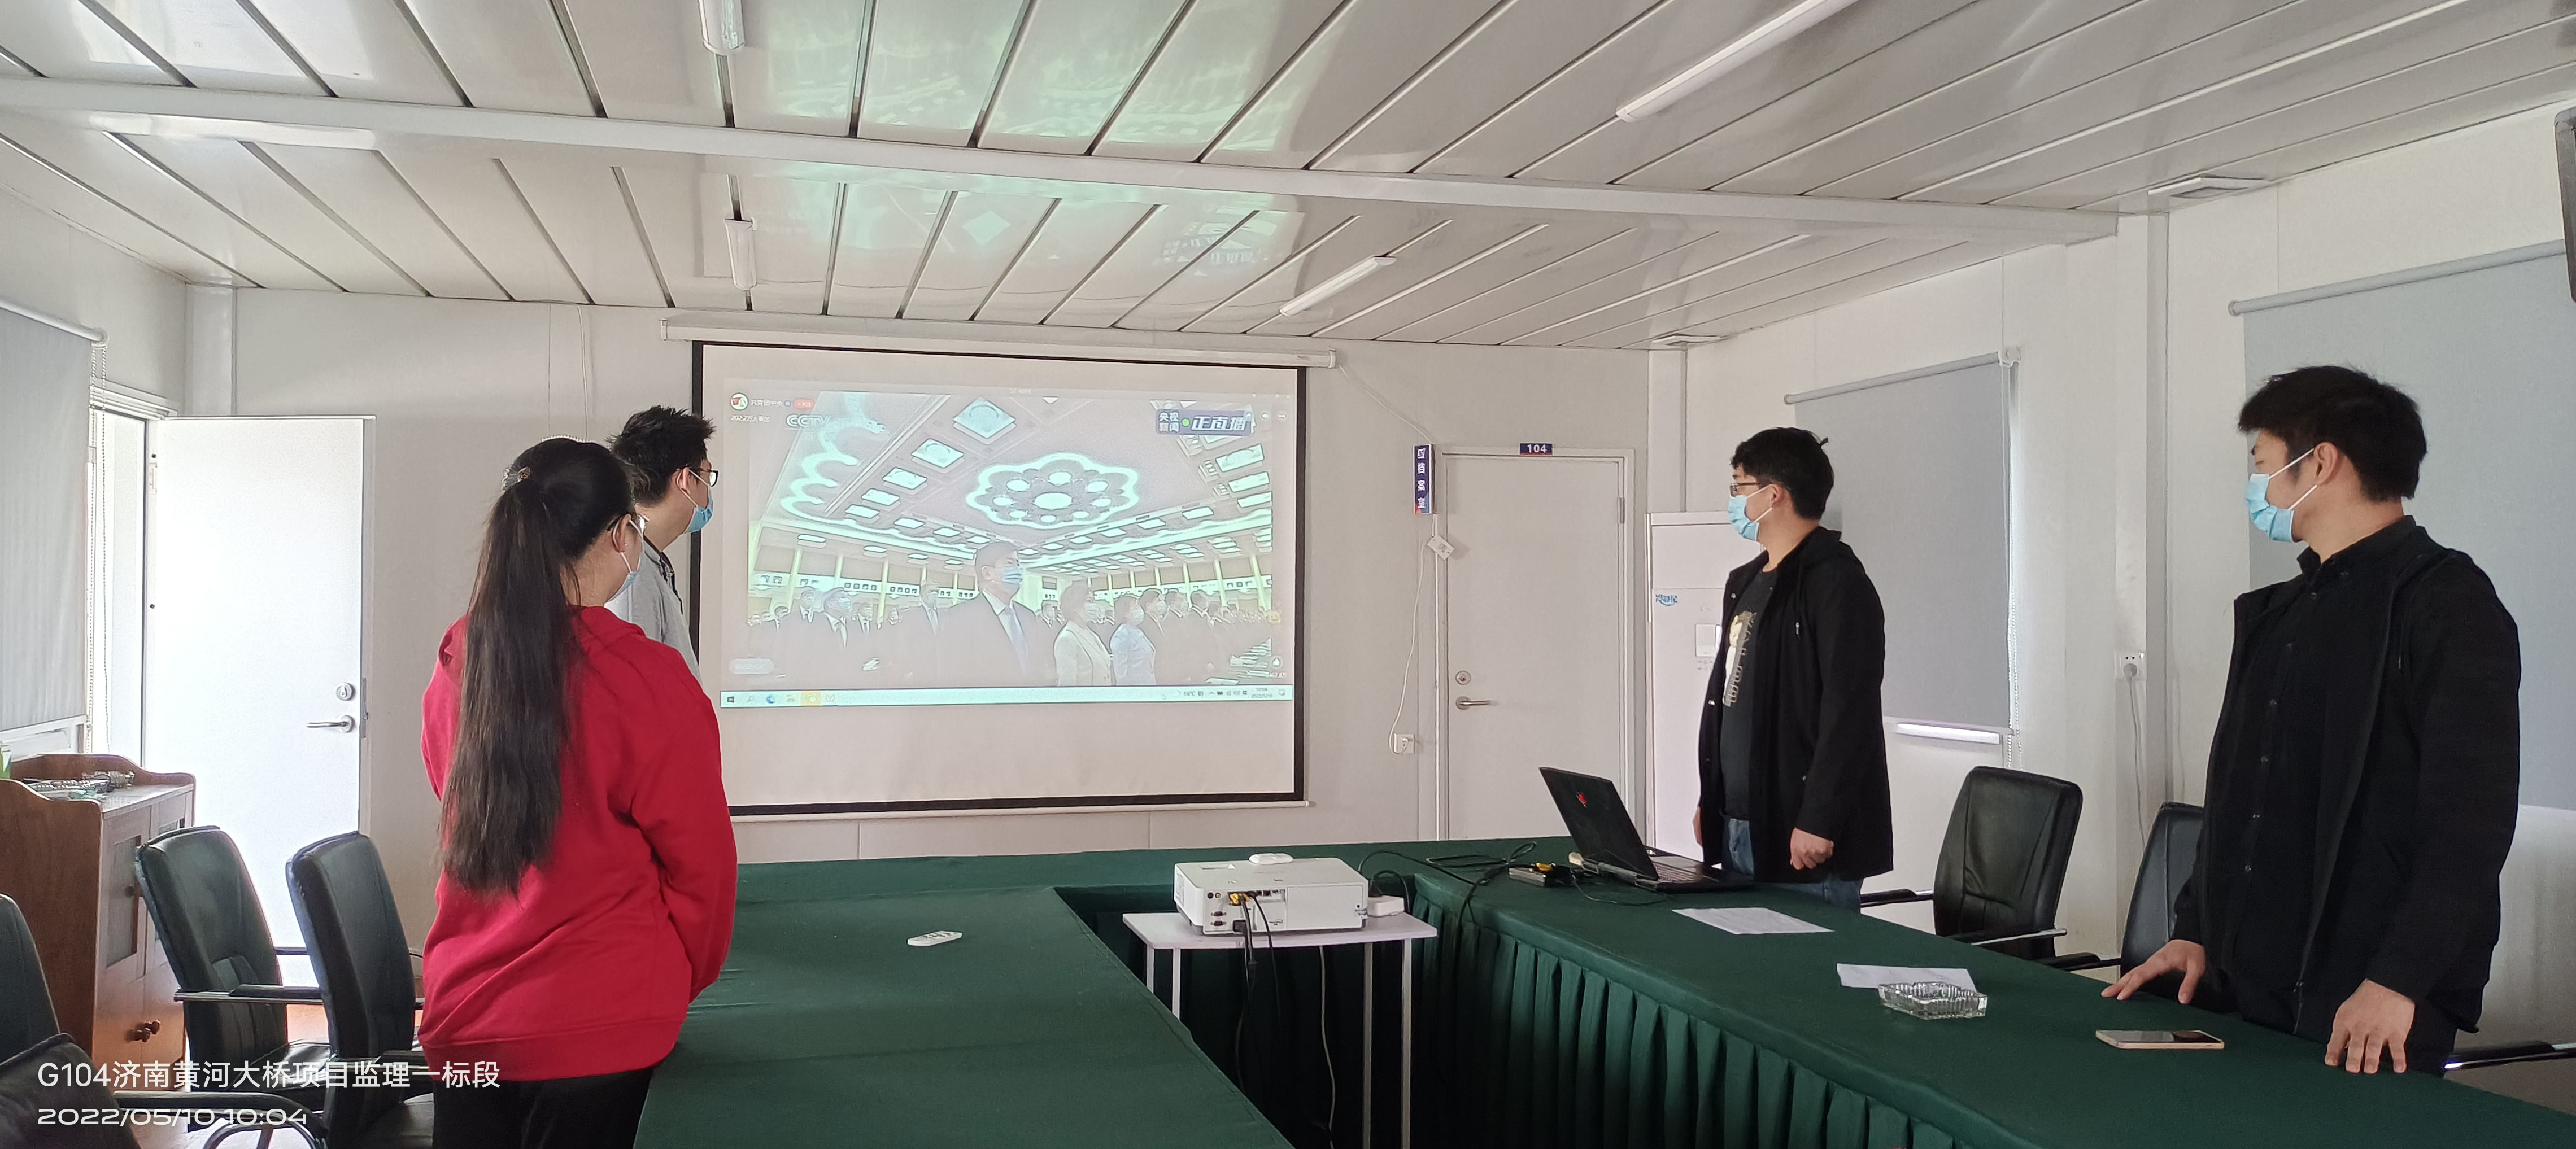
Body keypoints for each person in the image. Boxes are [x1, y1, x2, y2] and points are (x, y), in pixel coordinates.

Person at [2108, 366, 2520, 1077]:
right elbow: (2239, 797)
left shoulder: (2447, 605)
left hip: (2367, 1001)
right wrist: (2196, 930)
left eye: (2264, 464)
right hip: (2243, 988)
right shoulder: (2280, 613)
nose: (2258, 487)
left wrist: (2397, 979)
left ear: (2320, 463)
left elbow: (2469, 828)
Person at [419, 438, 735, 1148]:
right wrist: (672, 979)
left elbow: (453, 794)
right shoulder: (646, 678)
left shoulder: (460, 657)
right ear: (623, 534)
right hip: (605, 1022)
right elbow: (702, 868)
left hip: (468, 1019)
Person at [1694, 427, 1891, 911]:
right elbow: (1731, 695)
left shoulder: (1837, 583)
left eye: (1739, 486)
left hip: (1801, 835)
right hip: (1740, 821)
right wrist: (1711, 800)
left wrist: (1819, 818)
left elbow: (1849, 712)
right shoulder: (1745, 582)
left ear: (1773, 494)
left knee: (1802, 957)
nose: (1734, 500)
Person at [606, 406, 716, 674]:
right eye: (707, 476)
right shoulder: (631, 576)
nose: (709, 490)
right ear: (686, 480)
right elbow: (634, 684)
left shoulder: (648, 561)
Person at [938, 540, 1047, 687]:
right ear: (987, 573)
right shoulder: (960, 617)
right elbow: (953, 676)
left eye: (1018, 565)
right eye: (1009, 564)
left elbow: (1038, 666)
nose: (1017, 571)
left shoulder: (1028, 616)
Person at [1054, 580, 1114, 687]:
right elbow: (1067, 683)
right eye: (1089, 601)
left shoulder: (1090, 633)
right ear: (1075, 606)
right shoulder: (1067, 639)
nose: (1094, 606)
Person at [1110, 594, 1156, 686]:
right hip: (1136, 688)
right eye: (1136, 607)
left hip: (1149, 684)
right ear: (1126, 613)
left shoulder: (1137, 631)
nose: (1140, 610)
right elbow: (1121, 674)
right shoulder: (1122, 635)